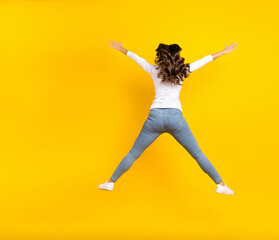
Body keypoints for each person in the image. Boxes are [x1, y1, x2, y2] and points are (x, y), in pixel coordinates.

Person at [98, 40, 237, 195]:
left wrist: (122, 49)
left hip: (155, 118)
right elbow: (205, 60)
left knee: (133, 153)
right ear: (177, 57)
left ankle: (110, 183)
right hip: (175, 118)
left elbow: (137, 59)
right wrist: (223, 52)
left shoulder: (154, 70)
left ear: (162, 57)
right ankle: (221, 184)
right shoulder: (184, 70)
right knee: (197, 154)